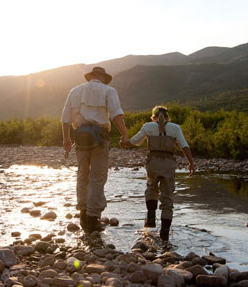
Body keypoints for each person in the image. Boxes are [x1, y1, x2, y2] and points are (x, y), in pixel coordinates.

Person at [61, 66, 128, 232]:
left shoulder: (74, 91)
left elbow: (65, 118)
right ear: (103, 77)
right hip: (100, 138)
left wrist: (66, 139)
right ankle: (92, 218)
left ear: (91, 76)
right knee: (97, 177)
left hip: (80, 138)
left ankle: (83, 213)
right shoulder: (108, 90)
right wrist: (125, 135)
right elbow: (116, 115)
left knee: (82, 174)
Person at [120, 106, 194, 241]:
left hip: (153, 162)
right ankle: (164, 235)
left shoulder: (148, 126)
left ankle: (151, 218)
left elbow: (134, 141)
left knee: (151, 188)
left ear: (153, 117)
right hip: (168, 164)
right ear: (167, 116)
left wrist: (124, 143)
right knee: (167, 197)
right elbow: (184, 146)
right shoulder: (175, 128)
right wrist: (191, 163)